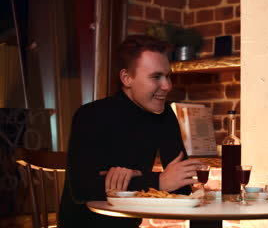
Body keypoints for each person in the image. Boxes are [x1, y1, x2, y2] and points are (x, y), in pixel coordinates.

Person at [59, 35, 203, 227]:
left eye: (168, 76)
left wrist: (134, 179)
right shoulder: (90, 115)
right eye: (156, 77)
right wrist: (158, 182)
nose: (167, 86)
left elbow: (182, 185)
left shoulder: (165, 115)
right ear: (127, 78)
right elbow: (83, 190)